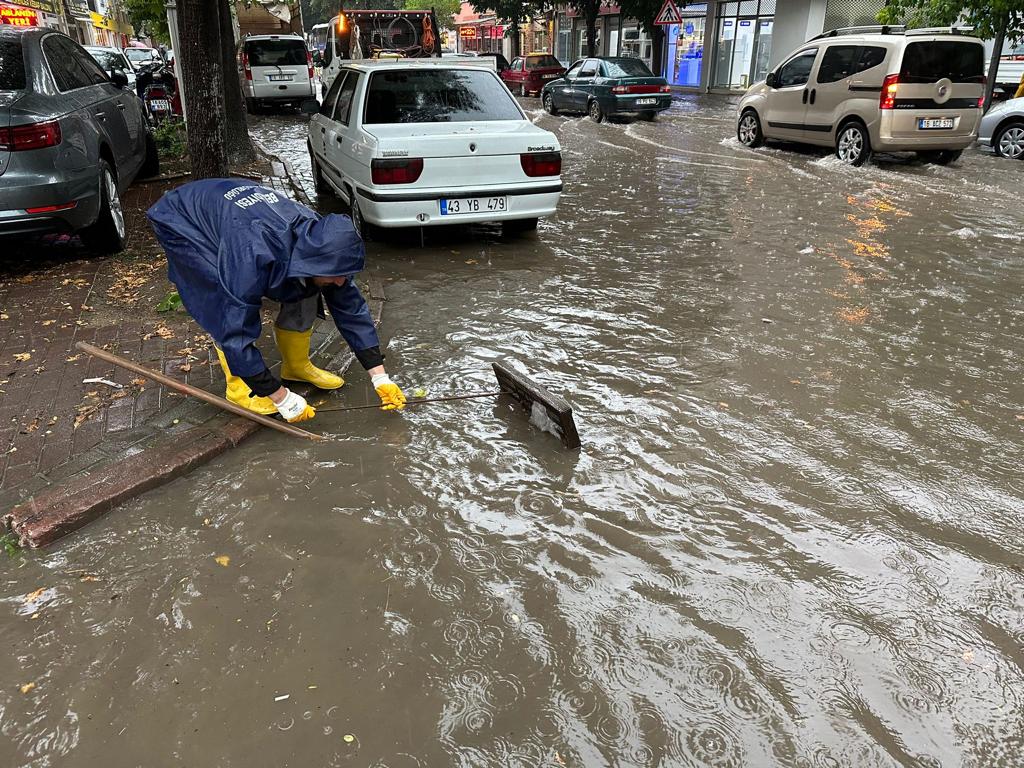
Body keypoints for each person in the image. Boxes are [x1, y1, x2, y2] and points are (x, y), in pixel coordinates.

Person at [147, 179, 406, 423]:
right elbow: (234, 326)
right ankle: (241, 389)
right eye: (336, 276)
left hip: (241, 213)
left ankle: (296, 366)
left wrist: (379, 377)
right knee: (220, 297)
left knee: (305, 287)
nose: (341, 281)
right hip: (183, 219)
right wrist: (280, 397)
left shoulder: (325, 244)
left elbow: (350, 309)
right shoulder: (251, 257)